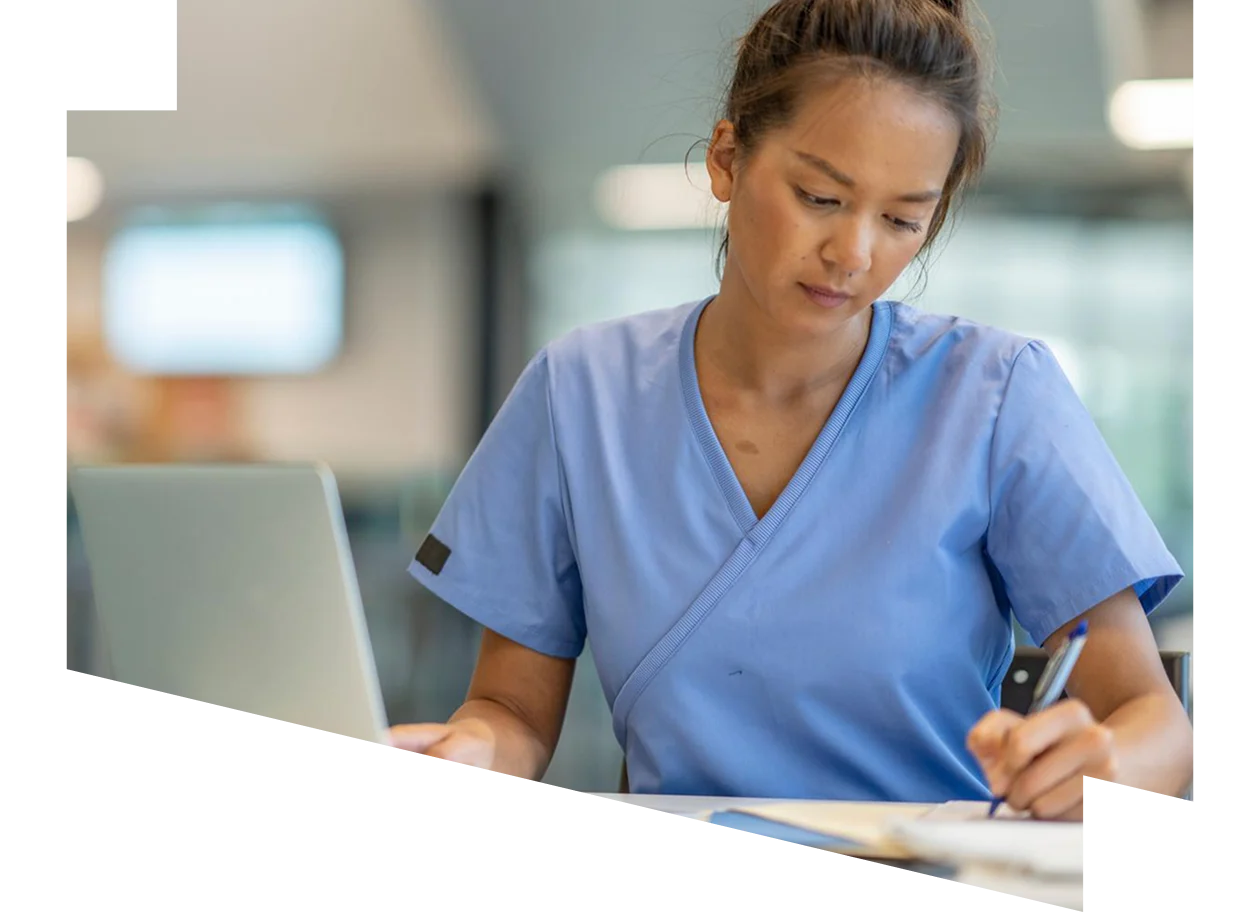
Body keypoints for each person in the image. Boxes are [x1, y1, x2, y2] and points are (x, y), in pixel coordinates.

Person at [390, 0, 1196, 821]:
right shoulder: (579, 394)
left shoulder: (995, 395)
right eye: (819, 197)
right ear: (727, 159)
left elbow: (1157, 727)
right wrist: (472, 748)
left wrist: (1104, 770)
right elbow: (512, 712)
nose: (854, 254)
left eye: (902, 220)